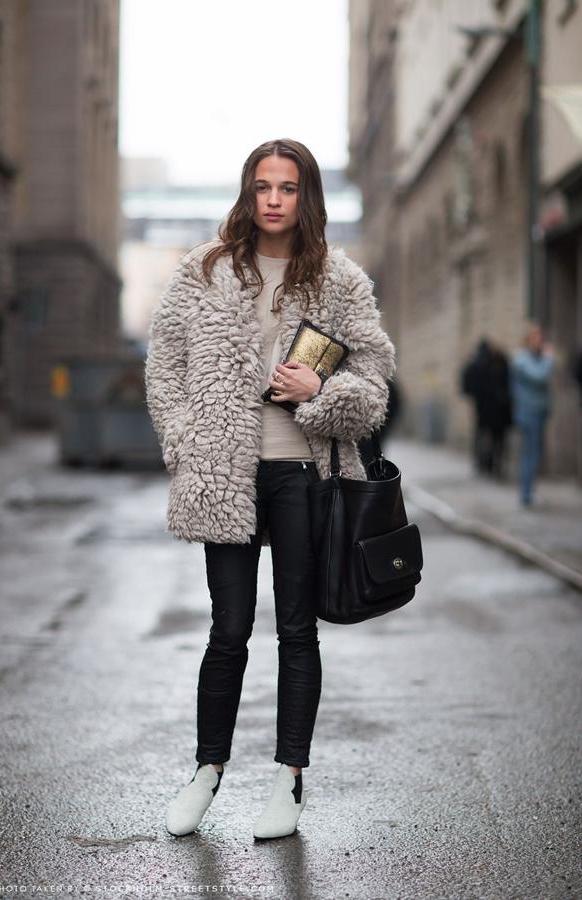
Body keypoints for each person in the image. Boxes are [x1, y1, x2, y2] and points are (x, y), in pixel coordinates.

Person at [144, 138, 396, 840]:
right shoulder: (204, 270)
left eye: (288, 186)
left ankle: (288, 779)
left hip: (303, 477)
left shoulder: (340, 282)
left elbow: (374, 382)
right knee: (227, 630)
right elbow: (164, 365)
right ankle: (206, 772)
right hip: (225, 474)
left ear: (306, 196)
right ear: (248, 193)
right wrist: (181, 438)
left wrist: (322, 389)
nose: (275, 198)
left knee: (295, 631)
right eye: (263, 185)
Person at [510, 322, 555, 506]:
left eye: (541, 337)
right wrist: (548, 358)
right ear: (528, 339)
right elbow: (540, 376)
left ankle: (528, 492)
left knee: (532, 454)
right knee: (530, 454)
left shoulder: (531, 358)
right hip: (529, 414)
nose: (540, 340)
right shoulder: (522, 360)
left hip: (536, 412)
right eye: (536, 337)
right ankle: (526, 495)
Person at [460, 337, 512, 478]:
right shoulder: (495, 362)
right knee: (495, 438)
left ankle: (484, 463)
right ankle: (491, 464)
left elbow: (467, 384)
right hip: (496, 409)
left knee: (484, 436)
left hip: (486, 408)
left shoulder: (478, 362)